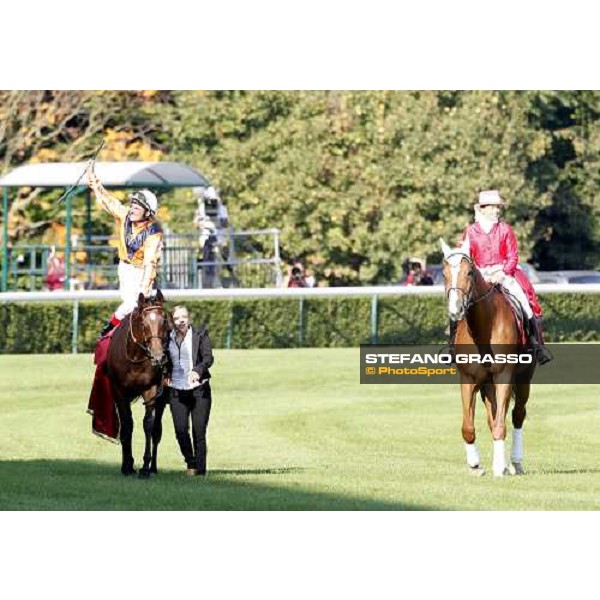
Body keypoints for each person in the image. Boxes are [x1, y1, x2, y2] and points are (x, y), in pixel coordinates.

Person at [454, 189, 552, 364]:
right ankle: (453, 347)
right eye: (492, 207)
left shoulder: (505, 229)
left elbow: (513, 256)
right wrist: (476, 272)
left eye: (498, 207)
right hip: (479, 275)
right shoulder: (470, 231)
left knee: (525, 303)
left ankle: (537, 345)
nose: (497, 211)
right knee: (458, 302)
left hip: (504, 274)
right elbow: (464, 256)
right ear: (482, 209)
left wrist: (502, 272)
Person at [86, 162, 163, 337]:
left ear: (147, 212)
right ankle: (109, 330)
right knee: (131, 305)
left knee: (145, 305)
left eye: (138, 206)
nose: (133, 209)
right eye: (133, 204)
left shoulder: (153, 233)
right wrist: (94, 182)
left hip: (143, 270)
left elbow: (150, 263)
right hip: (126, 268)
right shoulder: (125, 215)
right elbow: (108, 202)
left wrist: (145, 289)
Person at [164, 305, 214, 476]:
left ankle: (200, 471)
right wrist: (165, 373)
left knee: (199, 431)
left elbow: (208, 358)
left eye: (184, 317)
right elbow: (161, 359)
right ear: (172, 321)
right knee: (180, 430)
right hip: (176, 390)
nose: (181, 321)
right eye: (177, 318)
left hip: (199, 390)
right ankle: (190, 462)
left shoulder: (200, 334)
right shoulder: (166, 338)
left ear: (189, 318)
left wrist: (197, 371)